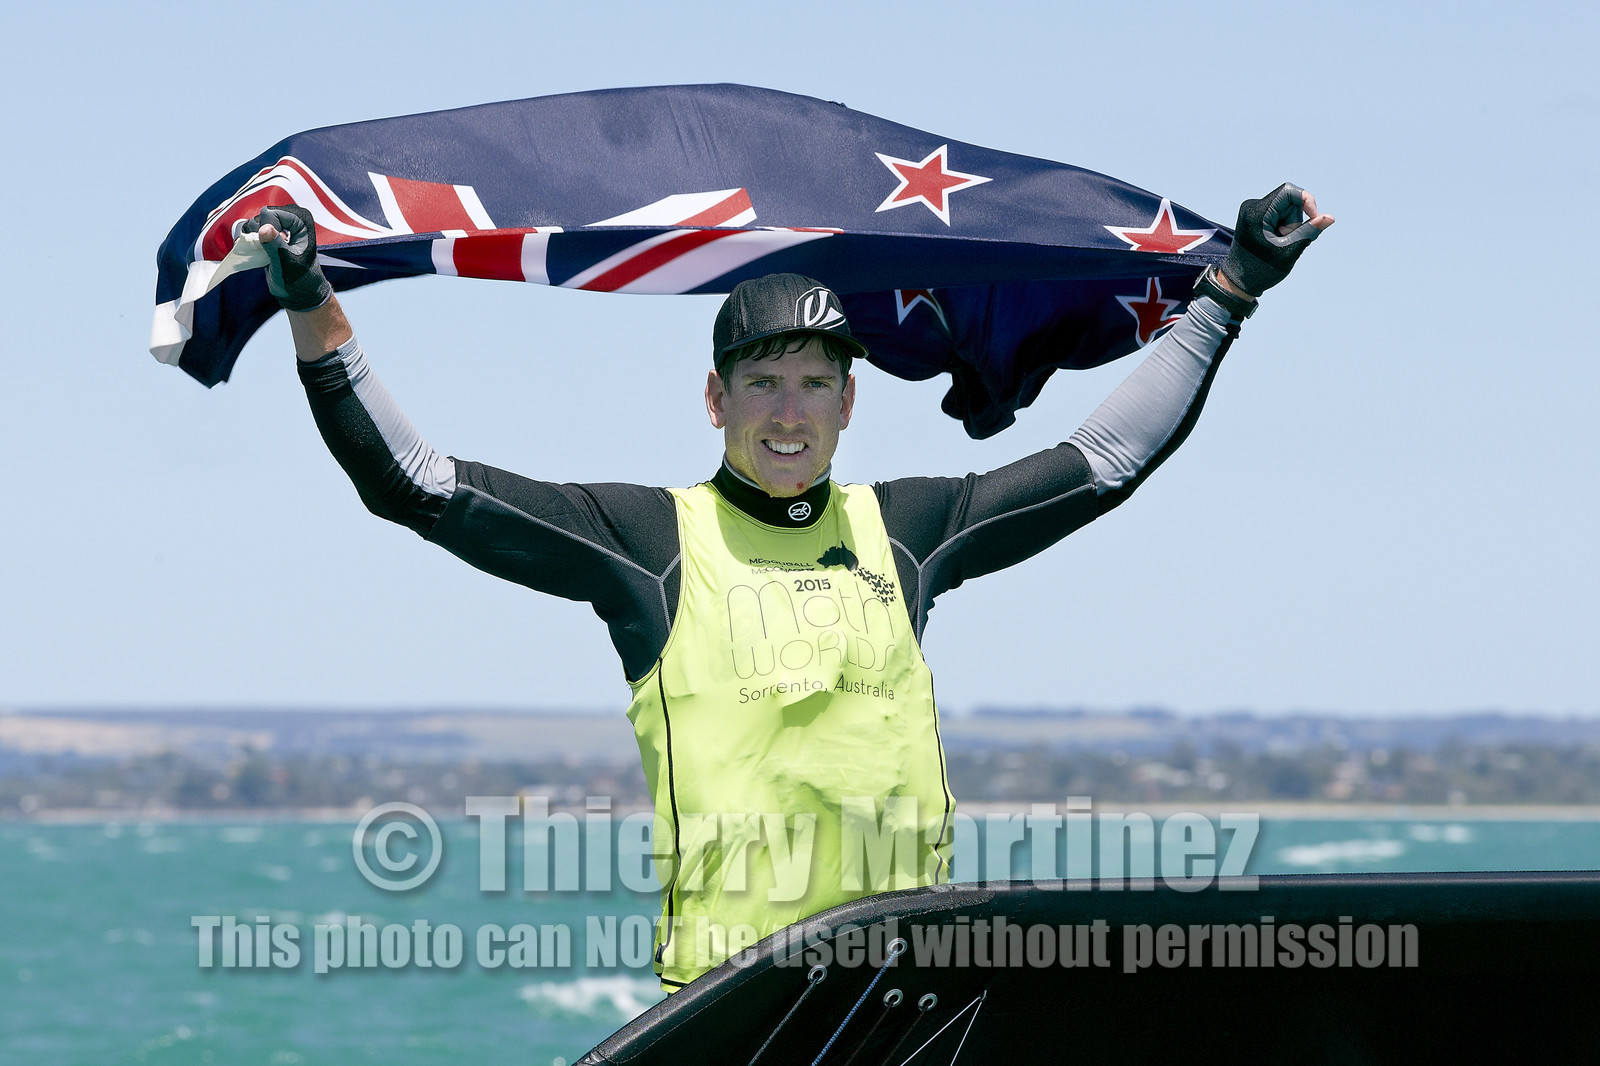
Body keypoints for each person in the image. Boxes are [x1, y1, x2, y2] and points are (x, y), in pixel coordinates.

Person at [245, 184, 1332, 989]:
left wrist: (1230, 290)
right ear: (714, 400)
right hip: (738, 1003)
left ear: (849, 404)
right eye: (761, 382)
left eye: (814, 384)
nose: (787, 412)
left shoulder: (905, 532)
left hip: (908, 990)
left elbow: (1101, 463)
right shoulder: (649, 542)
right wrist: (312, 306)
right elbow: (417, 484)